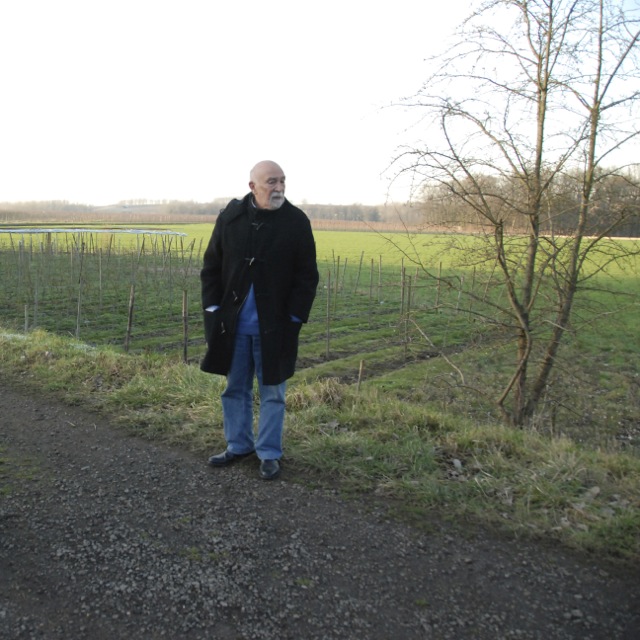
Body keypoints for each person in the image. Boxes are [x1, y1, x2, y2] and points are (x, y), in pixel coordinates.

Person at [200, 160, 319, 480]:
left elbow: (307, 276)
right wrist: (212, 309)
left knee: (273, 393)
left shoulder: (296, 222)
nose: (279, 187)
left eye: (282, 181)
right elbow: (211, 266)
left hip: (276, 327)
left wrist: (294, 317)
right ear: (253, 186)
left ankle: (268, 453)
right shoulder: (231, 218)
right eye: (271, 182)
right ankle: (238, 445)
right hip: (233, 327)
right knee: (234, 389)